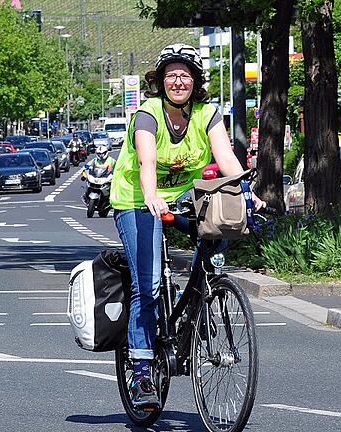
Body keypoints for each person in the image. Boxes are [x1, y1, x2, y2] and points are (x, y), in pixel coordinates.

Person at [109, 44, 265, 407]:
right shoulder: (147, 115)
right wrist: (151, 196)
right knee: (146, 286)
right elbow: (147, 162)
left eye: (185, 75)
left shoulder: (207, 113)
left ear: (195, 82)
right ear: (160, 81)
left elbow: (226, 157)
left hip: (186, 197)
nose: (178, 81)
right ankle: (143, 373)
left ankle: (193, 305)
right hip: (136, 199)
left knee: (215, 246)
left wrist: (246, 192)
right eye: (171, 75)